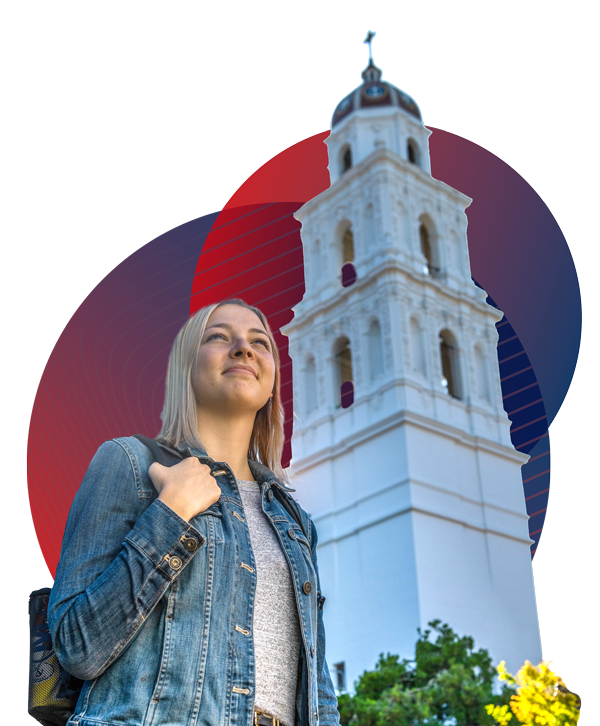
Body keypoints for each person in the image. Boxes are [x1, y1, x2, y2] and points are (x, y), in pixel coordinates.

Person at [48, 298, 340, 726]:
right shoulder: (131, 463)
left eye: (259, 342)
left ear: (273, 380)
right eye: (219, 337)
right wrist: (171, 512)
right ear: (185, 367)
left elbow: (318, 687)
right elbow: (77, 646)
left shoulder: (294, 521)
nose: (243, 349)